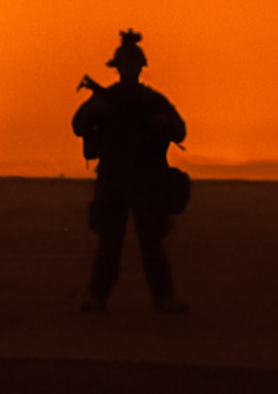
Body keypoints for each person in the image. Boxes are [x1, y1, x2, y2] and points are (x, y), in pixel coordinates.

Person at [72, 29, 190, 314]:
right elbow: (78, 126)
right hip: (114, 178)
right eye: (125, 65)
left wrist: (163, 124)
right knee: (109, 242)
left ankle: (162, 299)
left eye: (132, 65)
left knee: (151, 242)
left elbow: (180, 130)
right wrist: (93, 113)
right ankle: (98, 296)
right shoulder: (106, 99)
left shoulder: (152, 101)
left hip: (147, 179)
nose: (129, 70)